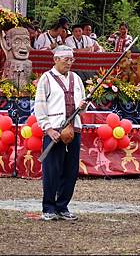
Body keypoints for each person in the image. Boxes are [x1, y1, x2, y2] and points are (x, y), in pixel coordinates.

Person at [34, 45, 88, 221]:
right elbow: (40, 106)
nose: (69, 63)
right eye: (66, 59)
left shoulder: (76, 79)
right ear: (56, 59)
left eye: (72, 59)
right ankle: (48, 207)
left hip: (74, 129)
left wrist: (83, 107)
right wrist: (48, 128)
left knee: (71, 170)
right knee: (52, 170)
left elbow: (82, 107)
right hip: (55, 130)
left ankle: (62, 206)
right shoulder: (46, 79)